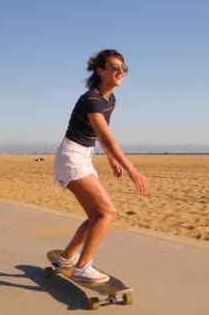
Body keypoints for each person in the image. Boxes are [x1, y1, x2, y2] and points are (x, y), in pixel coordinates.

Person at [53, 49, 149, 283]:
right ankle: (82, 266)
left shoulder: (110, 99)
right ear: (100, 70)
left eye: (123, 68)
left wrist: (110, 157)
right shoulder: (92, 100)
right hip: (72, 156)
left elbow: (101, 134)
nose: (120, 72)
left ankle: (67, 258)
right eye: (114, 67)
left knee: (96, 215)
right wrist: (132, 170)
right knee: (107, 212)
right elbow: (107, 139)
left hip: (84, 155)